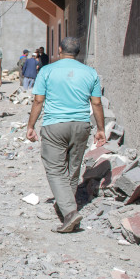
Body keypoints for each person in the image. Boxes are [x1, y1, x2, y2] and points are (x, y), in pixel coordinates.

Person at [26, 36, 107, 233]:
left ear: (60, 49)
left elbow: (38, 101)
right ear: (77, 52)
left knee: (55, 170)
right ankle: (67, 207)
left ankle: (70, 212)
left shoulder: (47, 70)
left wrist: (31, 125)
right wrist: (101, 129)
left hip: (55, 125)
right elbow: (96, 103)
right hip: (81, 125)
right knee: (73, 168)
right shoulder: (90, 73)